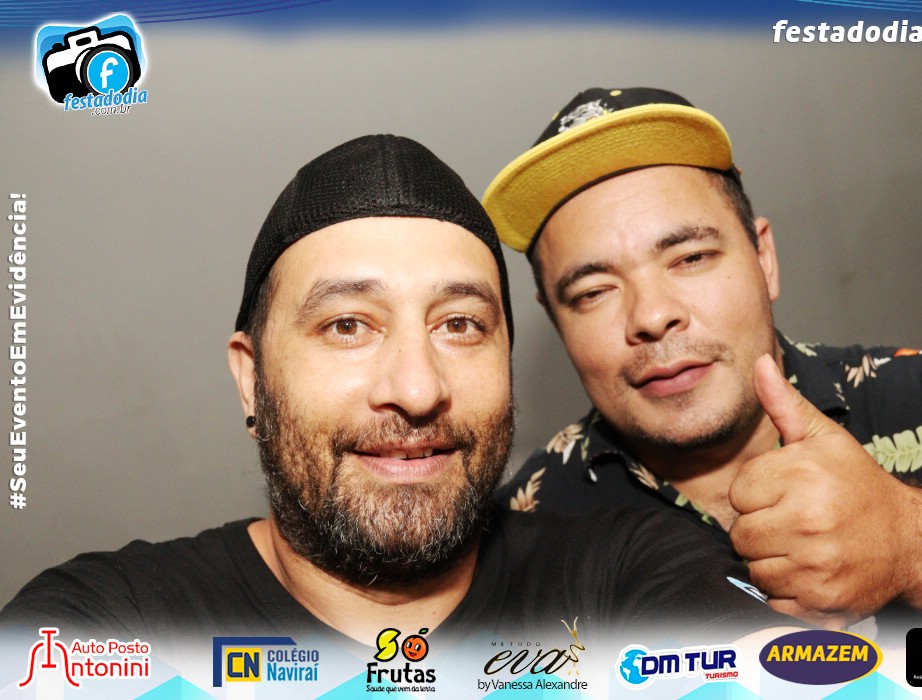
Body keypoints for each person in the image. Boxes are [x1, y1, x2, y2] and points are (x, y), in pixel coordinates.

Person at [0, 135, 790, 656]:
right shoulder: (110, 625)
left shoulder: (631, 573)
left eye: (460, 324)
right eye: (347, 325)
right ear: (251, 378)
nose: (417, 389)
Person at [483, 87, 922, 633]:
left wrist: (913, 542)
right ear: (556, 320)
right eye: (592, 292)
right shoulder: (516, 532)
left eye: (691, 257)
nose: (652, 315)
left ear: (765, 259)